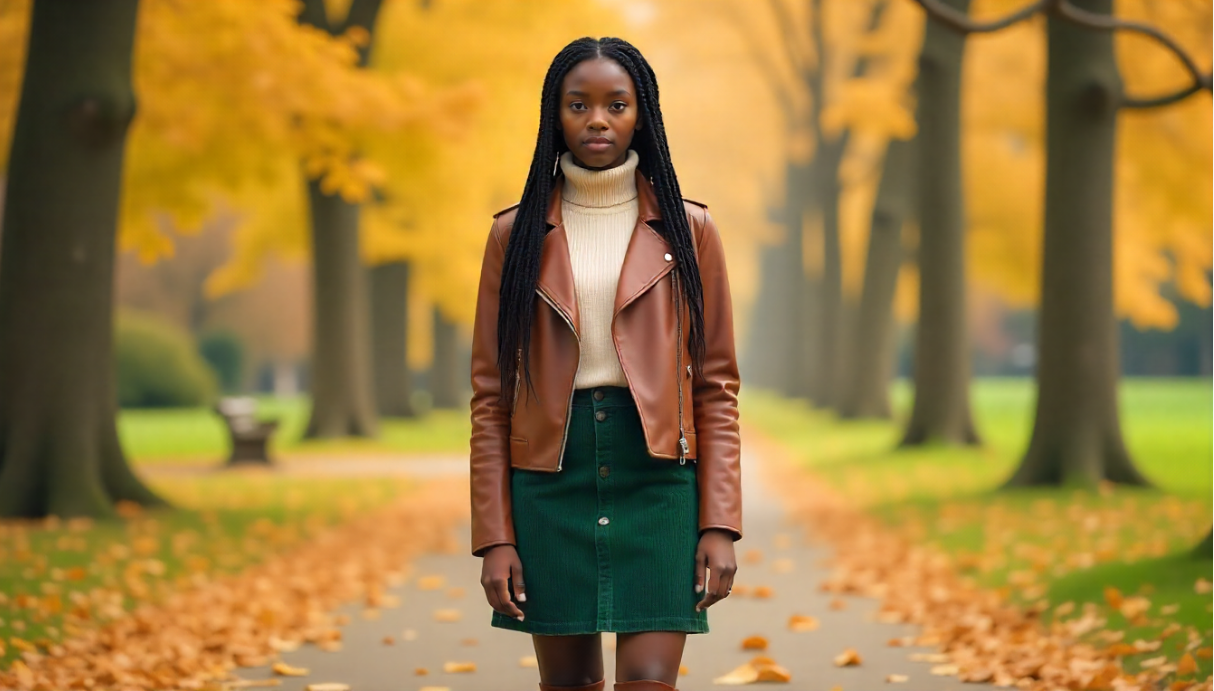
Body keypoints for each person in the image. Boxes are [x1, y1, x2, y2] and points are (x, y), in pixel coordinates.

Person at [468, 35, 743, 691]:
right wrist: (494, 537)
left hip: (657, 481)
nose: (598, 119)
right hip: (548, 481)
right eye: (579, 104)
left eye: (616, 104)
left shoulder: (690, 230)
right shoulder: (514, 235)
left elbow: (716, 387)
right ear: (554, 115)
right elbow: (490, 396)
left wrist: (720, 522)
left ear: (639, 113)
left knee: (649, 677)